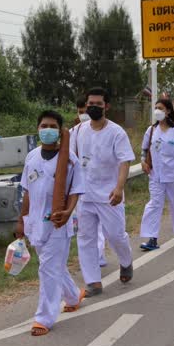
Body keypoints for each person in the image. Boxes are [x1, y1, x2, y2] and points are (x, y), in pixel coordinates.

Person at [16, 111, 85, 336]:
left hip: (58, 222)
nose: (48, 129)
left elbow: (75, 190)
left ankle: (43, 318)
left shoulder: (70, 159)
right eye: (44, 125)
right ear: (38, 129)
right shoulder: (32, 157)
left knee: (47, 268)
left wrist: (68, 211)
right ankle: (73, 296)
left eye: (52, 126)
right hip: (35, 222)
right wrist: (21, 221)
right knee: (53, 266)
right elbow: (26, 191)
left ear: (59, 130)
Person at [71, 87, 136, 297]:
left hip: (110, 196)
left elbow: (125, 161)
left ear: (106, 106)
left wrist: (119, 188)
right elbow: (69, 156)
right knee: (86, 238)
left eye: (98, 104)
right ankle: (93, 282)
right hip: (85, 196)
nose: (93, 107)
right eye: (90, 103)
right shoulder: (79, 130)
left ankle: (126, 262)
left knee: (116, 235)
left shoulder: (116, 132)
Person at [140, 99, 174, 249]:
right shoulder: (151, 131)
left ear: (168, 111)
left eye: (160, 108)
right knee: (154, 205)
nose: (157, 111)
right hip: (155, 175)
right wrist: (143, 161)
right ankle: (152, 239)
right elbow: (144, 150)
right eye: (155, 108)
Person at [72, 97, 107, 268]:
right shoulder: (74, 132)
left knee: (105, 228)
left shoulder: (108, 131)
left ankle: (100, 254)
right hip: (82, 189)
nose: (83, 115)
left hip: (104, 189)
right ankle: (93, 261)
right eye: (80, 112)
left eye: (84, 112)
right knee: (87, 231)